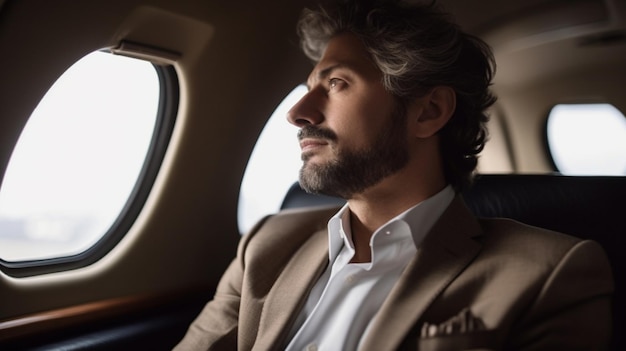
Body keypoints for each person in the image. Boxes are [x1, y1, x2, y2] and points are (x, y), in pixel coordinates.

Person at [174, 0, 614, 350]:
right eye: (309, 87)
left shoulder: (549, 274)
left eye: (336, 84)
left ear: (429, 111)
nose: (297, 113)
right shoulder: (265, 246)